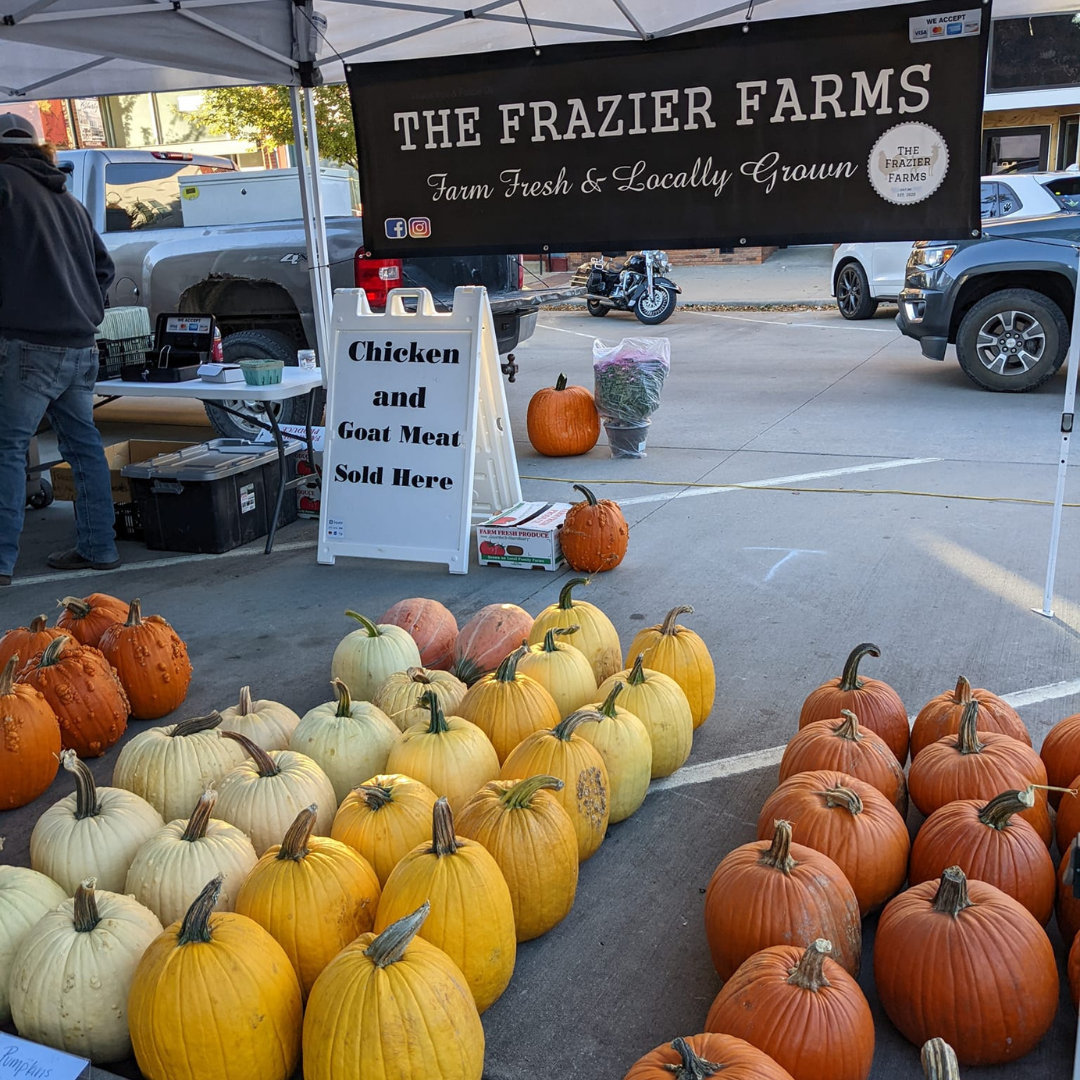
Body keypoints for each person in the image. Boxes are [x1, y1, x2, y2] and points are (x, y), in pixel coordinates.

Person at [0, 113, 119, 586]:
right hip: (80, 343)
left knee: (9, 450)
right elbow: (104, 270)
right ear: (38, 148)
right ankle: (99, 547)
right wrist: (86, 305)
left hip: (28, 342)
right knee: (85, 445)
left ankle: (2, 563)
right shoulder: (66, 197)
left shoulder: (4, 186)